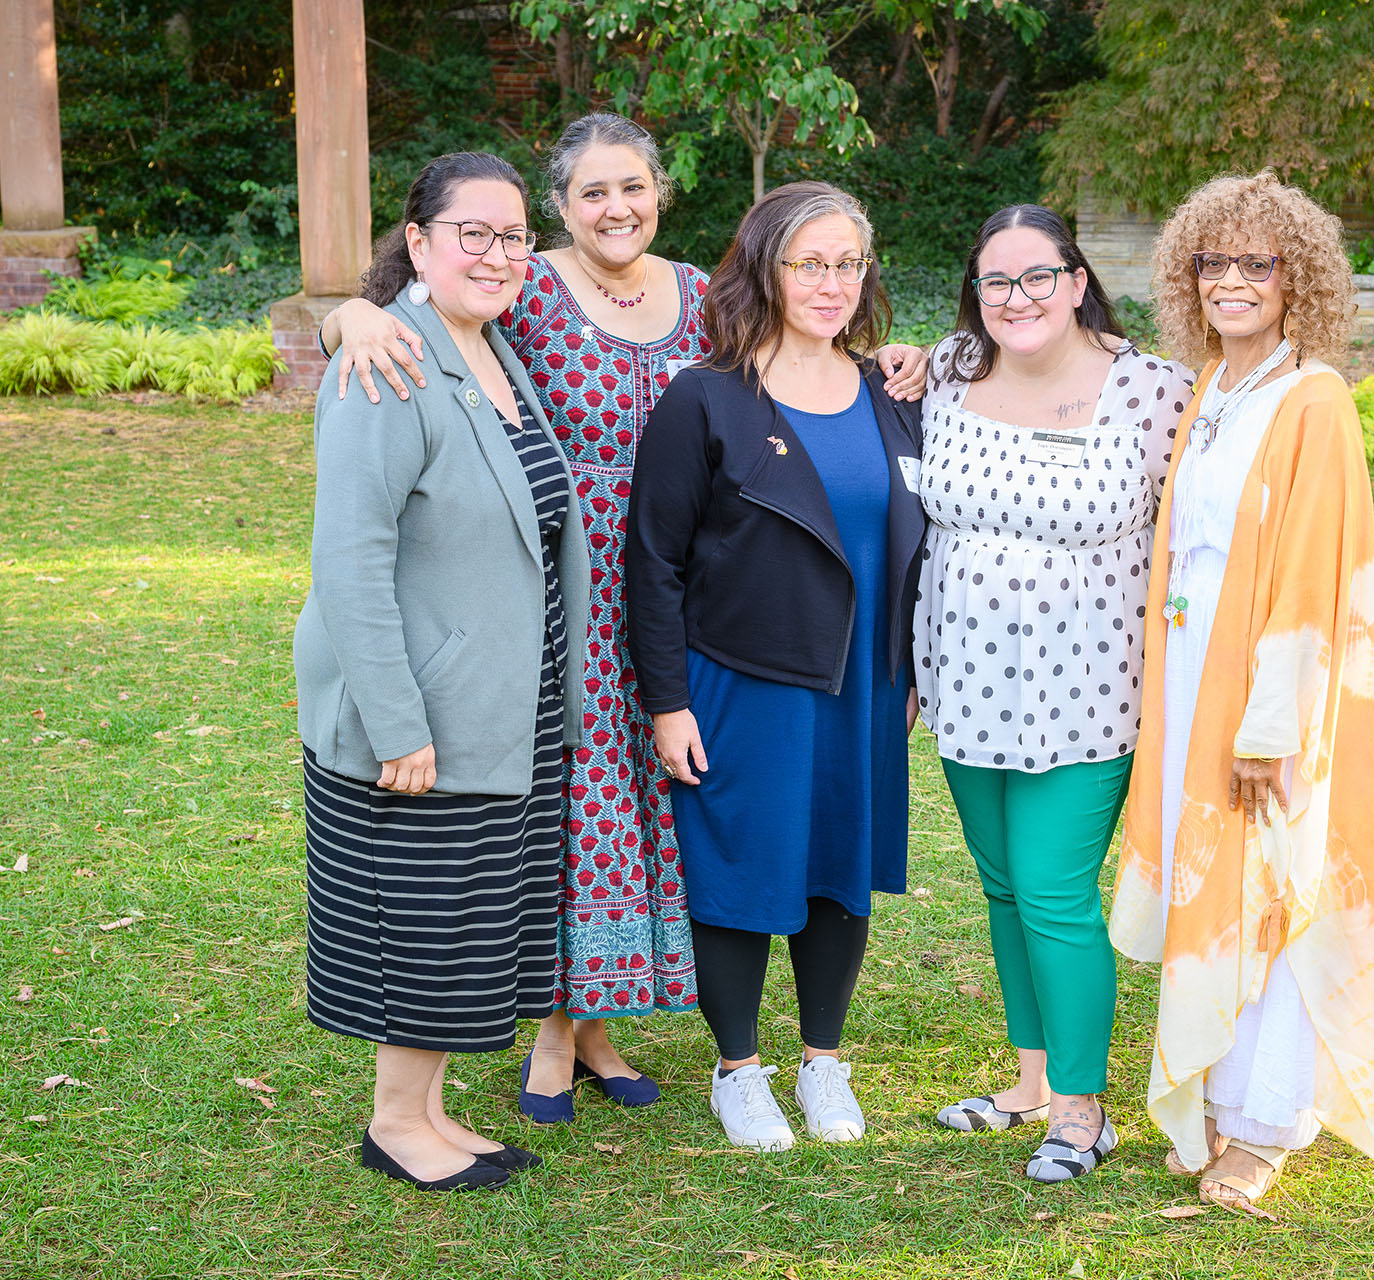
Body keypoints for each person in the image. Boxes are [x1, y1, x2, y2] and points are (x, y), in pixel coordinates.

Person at [320, 116, 929, 1121]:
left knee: (658, 810)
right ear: (561, 205)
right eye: (594, 192)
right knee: (579, 804)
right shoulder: (527, 283)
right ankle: (558, 1029)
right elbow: (418, 310)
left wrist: (891, 356)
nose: (618, 208)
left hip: (692, 577)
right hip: (559, 574)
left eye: (634, 187)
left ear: (661, 194)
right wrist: (348, 315)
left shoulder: (699, 294)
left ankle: (602, 1021)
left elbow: (792, 360)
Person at [1105, 170, 1374, 1210]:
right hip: (1194, 672)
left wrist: (1272, 725)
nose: (1231, 280)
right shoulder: (1213, 387)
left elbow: (1315, 575)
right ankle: (1220, 1095)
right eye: (1212, 261)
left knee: (1272, 880)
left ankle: (1266, 1120)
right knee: (1217, 881)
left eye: (1256, 263)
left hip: (1273, 692)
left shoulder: (1311, 399)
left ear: (1299, 279)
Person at [294, 151, 589, 1191]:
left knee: (459, 925)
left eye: (514, 237)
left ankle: (425, 1104)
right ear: (417, 241)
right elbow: (350, 559)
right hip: (418, 714)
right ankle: (394, 1124)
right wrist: (396, 720)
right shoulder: (386, 361)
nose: (499, 254)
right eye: (475, 233)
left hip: (499, 707)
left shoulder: (490, 346)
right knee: (417, 924)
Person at [625, 181, 925, 1153]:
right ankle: (739, 1070)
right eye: (811, 262)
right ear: (766, 266)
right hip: (745, 677)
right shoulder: (704, 397)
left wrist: (912, 660)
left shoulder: (891, 392)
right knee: (745, 869)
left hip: (864, 683)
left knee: (839, 868)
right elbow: (654, 560)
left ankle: (823, 1060)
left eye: (849, 263)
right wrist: (667, 701)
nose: (833, 282)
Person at [912, 204, 1193, 1182]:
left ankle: (1083, 1109)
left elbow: (1195, 539)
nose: (1018, 297)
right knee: (1001, 889)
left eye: (1039, 276)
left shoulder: (1155, 391)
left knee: (1054, 890)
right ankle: (1029, 1082)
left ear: (1077, 281)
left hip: (1089, 695)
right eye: (997, 281)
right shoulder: (946, 372)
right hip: (964, 687)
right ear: (975, 295)